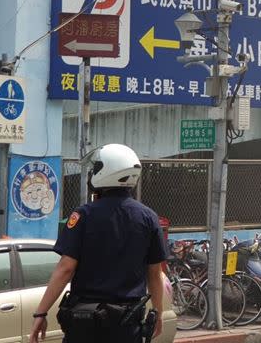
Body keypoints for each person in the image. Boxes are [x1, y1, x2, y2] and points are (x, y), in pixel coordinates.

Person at [29, 144, 167, 343]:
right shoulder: (148, 217)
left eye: (96, 168)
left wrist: (40, 313)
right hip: (127, 327)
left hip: (85, 324)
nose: (92, 173)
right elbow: (155, 273)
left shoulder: (83, 215)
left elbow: (66, 269)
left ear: (106, 171)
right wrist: (158, 313)